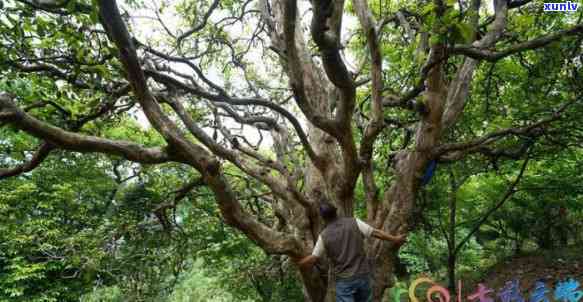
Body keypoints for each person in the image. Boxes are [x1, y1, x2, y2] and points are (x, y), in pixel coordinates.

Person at [293, 201, 406, 302]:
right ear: (336, 212)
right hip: (363, 276)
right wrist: (395, 239)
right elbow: (376, 233)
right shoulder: (354, 223)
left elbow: (313, 258)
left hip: (344, 282)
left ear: (323, 218)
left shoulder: (324, 236)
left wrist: (299, 264)